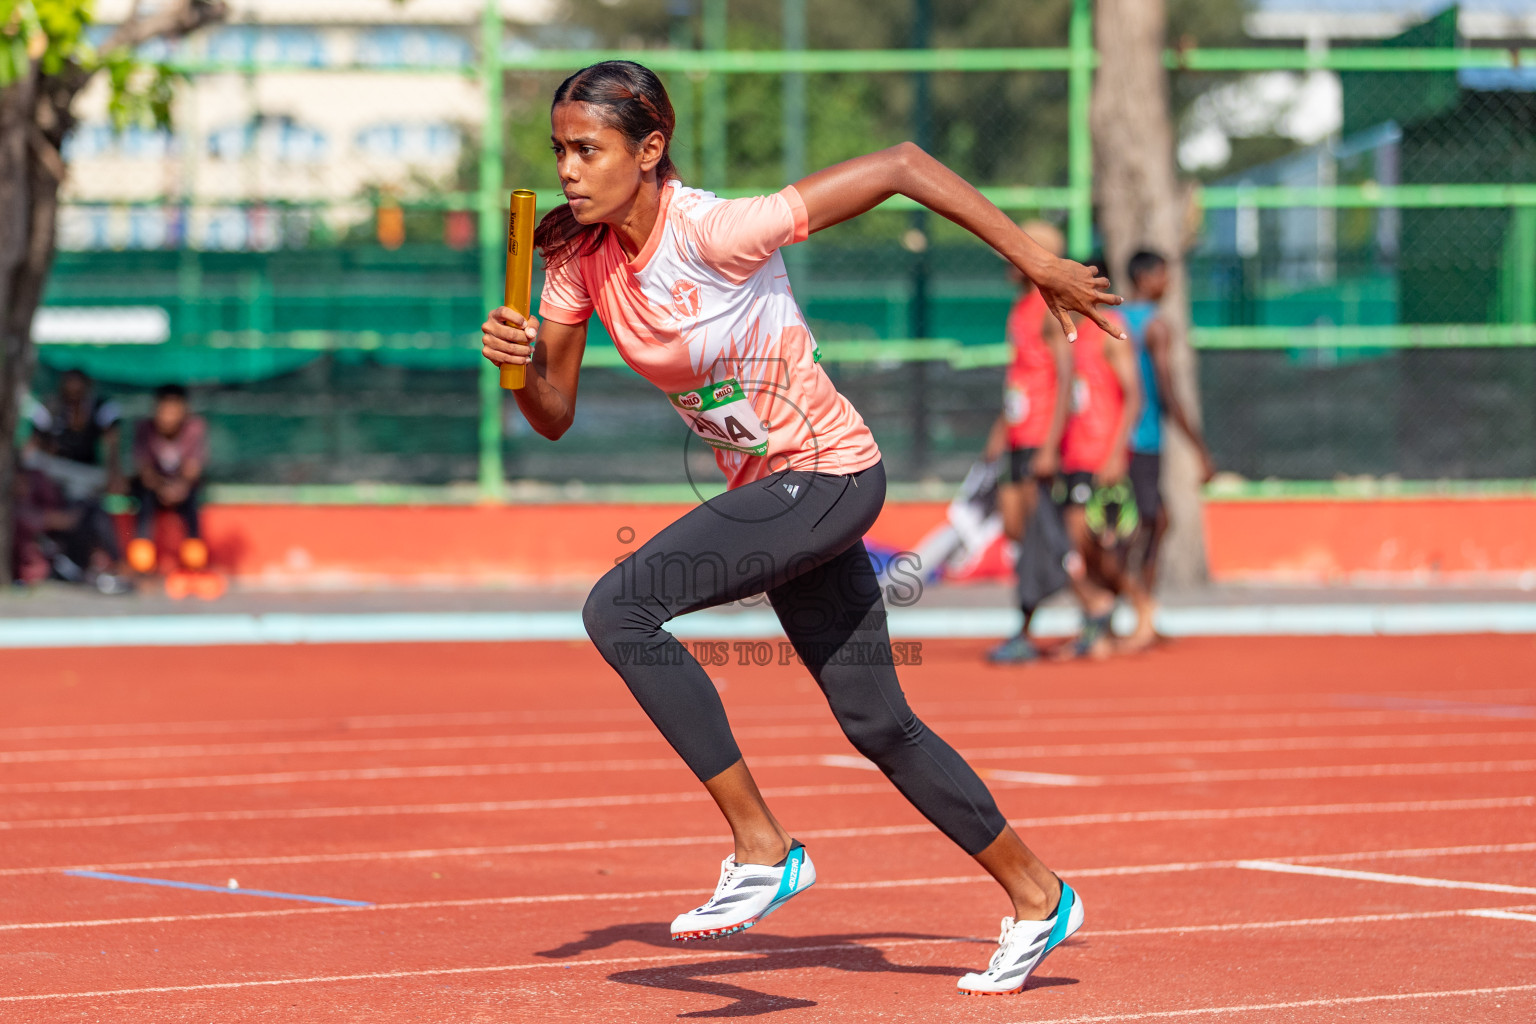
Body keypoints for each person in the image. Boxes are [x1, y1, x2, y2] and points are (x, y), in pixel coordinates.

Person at [480, 61, 1122, 997]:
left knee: (620, 610)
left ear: (649, 150)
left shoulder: (717, 229)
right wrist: (519, 364)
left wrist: (1034, 259)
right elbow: (553, 412)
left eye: (590, 149)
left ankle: (763, 845)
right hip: (771, 489)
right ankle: (1038, 895)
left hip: (828, 473)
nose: (570, 170)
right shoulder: (577, 261)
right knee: (879, 722)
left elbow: (902, 163)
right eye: (560, 152)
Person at [982, 220, 1074, 664]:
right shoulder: (1018, 309)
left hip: (1040, 439)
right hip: (1019, 437)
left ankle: (1039, 621)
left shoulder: (1048, 310)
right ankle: (1088, 601)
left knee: (1041, 537)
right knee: (1017, 529)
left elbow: (1066, 376)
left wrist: (1052, 444)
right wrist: (1000, 430)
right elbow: (1018, 377)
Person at [1119, 250, 1216, 649]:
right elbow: (1167, 389)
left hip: (1127, 438)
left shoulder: (1116, 321)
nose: (1169, 282)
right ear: (1143, 278)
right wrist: (1199, 448)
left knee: (1152, 521)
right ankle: (1131, 608)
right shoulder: (1155, 327)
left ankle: (1141, 610)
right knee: (1147, 522)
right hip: (1140, 438)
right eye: (1162, 274)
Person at [1056, 282, 1144, 659]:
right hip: (1074, 456)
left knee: (1099, 548)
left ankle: (1143, 610)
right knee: (1079, 549)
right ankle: (1098, 627)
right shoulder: (1072, 329)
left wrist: (1115, 454)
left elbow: (1134, 396)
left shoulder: (1111, 327)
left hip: (1100, 456)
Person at [129, 384, 210, 574]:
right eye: (164, 410)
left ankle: (194, 556)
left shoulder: (195, 428)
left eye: (174, 410)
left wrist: (179, 488)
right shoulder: (144, 428)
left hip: (183, 489)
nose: (168, 416)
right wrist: (161, 488)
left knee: (193, 500)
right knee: (144, 500)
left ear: (184, 410)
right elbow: (144, 469)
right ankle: (142, 558)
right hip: (154, 489)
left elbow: (193, 469)